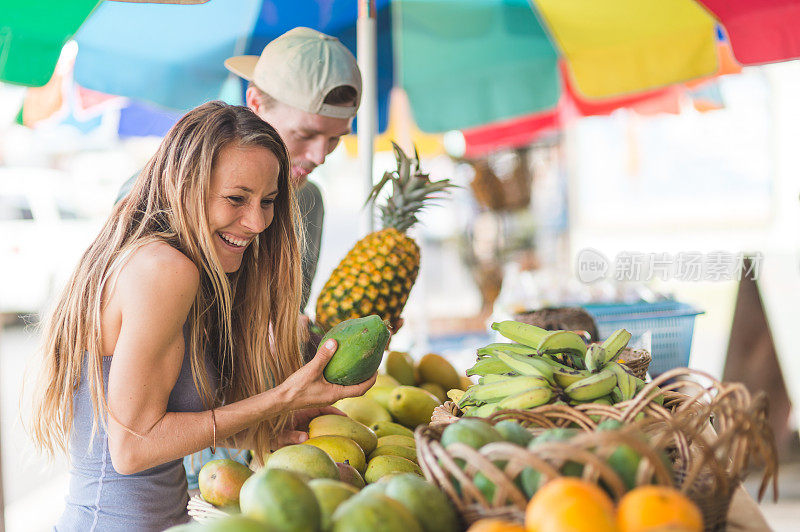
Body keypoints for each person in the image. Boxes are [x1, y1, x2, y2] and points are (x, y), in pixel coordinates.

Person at [29, 101, 376, 531]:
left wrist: (263, 428)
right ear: (185, 186)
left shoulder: (174, 262)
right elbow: (132, 448)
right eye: (236, 199)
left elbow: (169, 421)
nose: (256, 222)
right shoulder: (164, 268)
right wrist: (285, 396)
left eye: (267, 201)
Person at [114, 26, 363, 489]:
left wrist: (322, 347)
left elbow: (269, 329)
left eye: (335, 140)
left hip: (240, 455)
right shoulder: (154, 204)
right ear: (256, 104)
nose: (320, 156)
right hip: (167, 467)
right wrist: (281, 398)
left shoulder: (308, 205)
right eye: (306, 134)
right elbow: (129, 418)